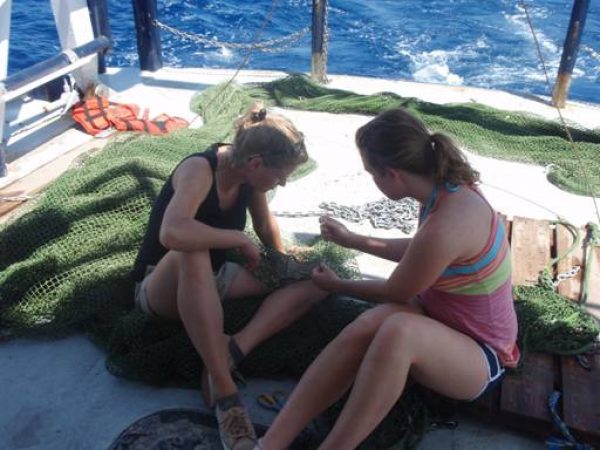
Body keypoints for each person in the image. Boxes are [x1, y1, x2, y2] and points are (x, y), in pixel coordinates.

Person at [255, 108, 520, 450]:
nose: (372, 181)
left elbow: (396, 290)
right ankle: (270, 444)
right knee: (369, 325)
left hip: (483, 356)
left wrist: (336, 285)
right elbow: (422, 252)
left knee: (398, 331)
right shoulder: (446, 191)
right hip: (441, 322)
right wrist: (353, 240)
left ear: (392, 175)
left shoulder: (448, 222)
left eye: (371, 174)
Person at [131, 103, 327, 450]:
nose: (282, 182)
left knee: (320, 279)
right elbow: (172, 233)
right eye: (280, 175)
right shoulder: (199, 169)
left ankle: (234, 348)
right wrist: (238, 238)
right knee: (192, 249)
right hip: (161, 284)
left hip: (216, 277)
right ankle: (224, 388)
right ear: (255, 164)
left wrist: (280, 263)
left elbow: (265, 226)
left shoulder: (251, 182)